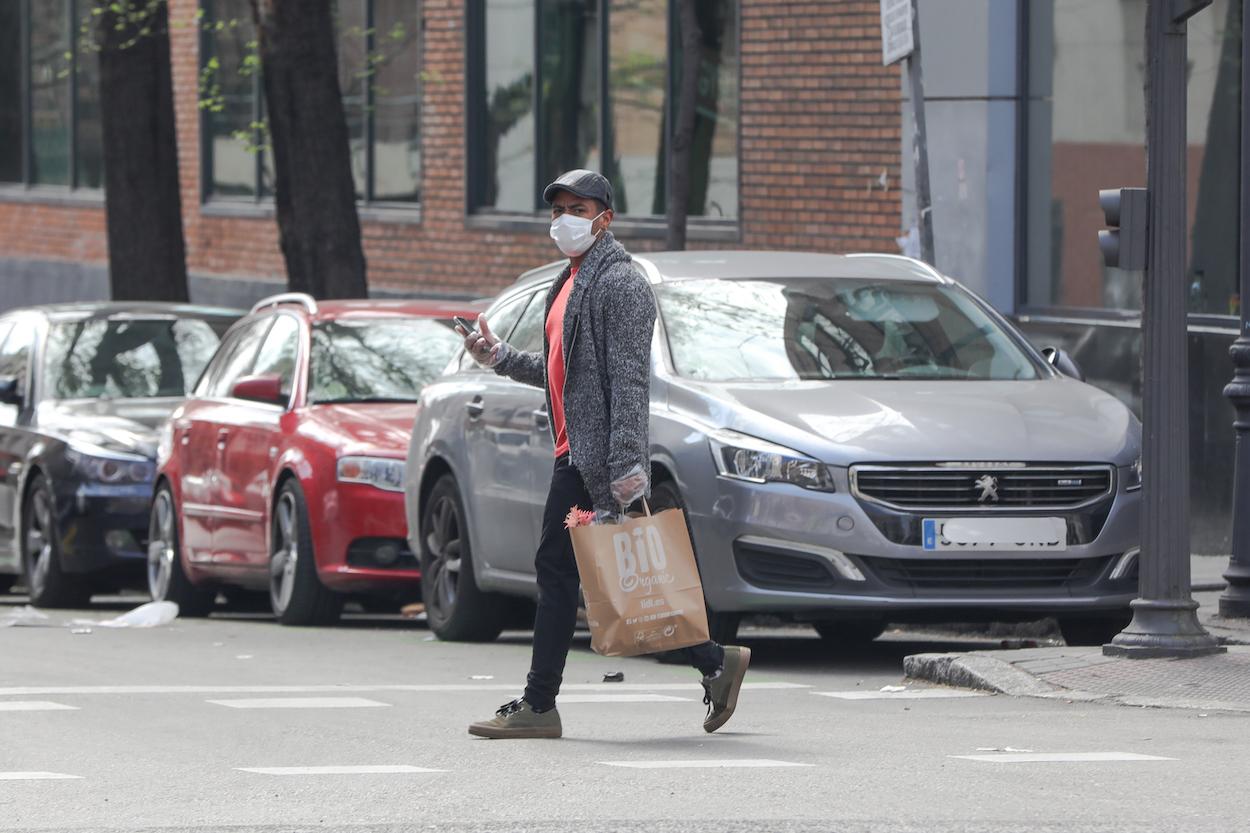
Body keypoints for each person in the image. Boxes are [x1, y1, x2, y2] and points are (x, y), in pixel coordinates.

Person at [457, 169, 750, 740]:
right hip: (576, 453)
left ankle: (540, 706)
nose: (563, 217)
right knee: (612, 577)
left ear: (605, 218)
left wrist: (627, 467)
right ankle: (715, 662)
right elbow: (566, 375)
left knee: (568, 574)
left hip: (595, 463)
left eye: (577, 206)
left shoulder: (622, 284)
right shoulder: (568, 282)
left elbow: (630, 381)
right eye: (557, 207)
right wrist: (498, 357)